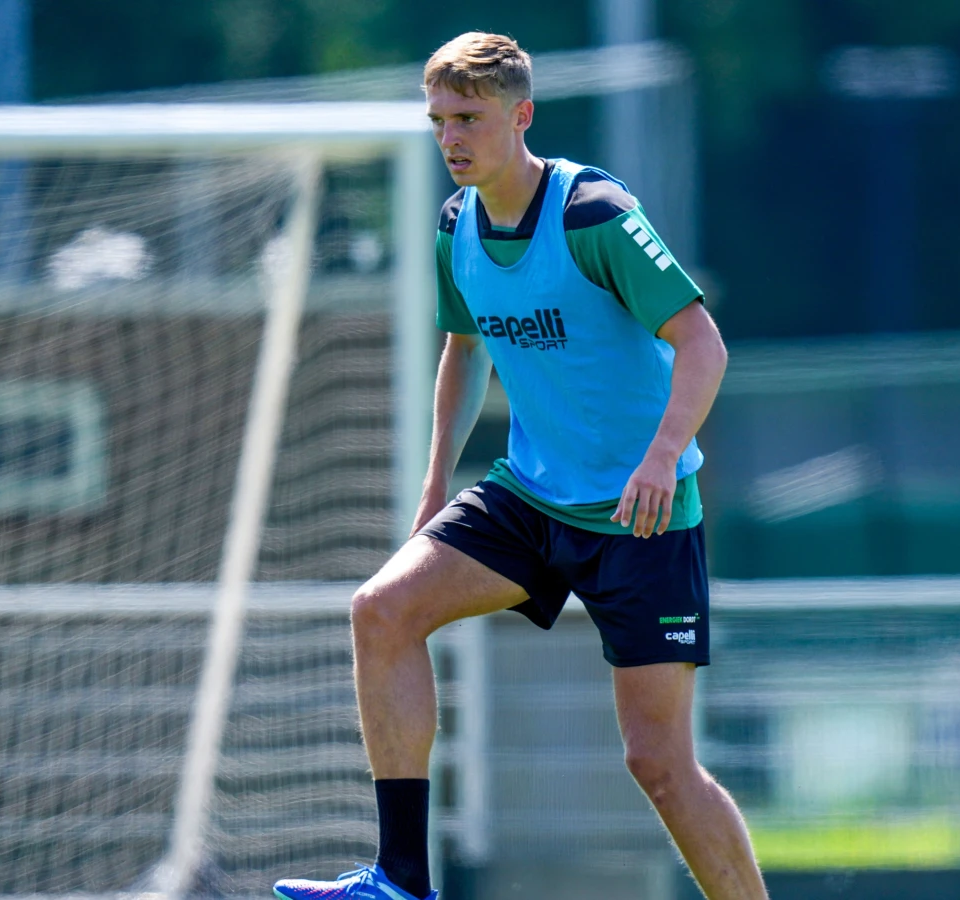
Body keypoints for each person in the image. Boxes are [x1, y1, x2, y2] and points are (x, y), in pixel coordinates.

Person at [275, 31, 768, 900]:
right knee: (381, 612)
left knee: (658, 764)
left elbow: (703, 343)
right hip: (529, 498)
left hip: (640, 517)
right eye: (437, 121)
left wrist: (660, 458)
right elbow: (464, 351)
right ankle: (400, 880)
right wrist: (437, 484)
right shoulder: (456, 224)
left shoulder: (593, 215)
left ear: (521, 115)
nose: (451, 138)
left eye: (468, 117)